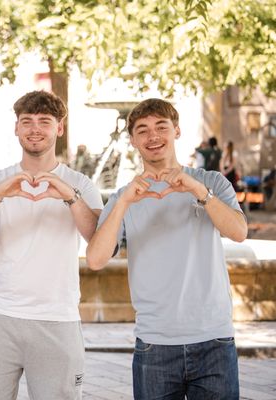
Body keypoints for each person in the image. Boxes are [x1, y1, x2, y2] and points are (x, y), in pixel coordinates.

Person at [86, 98, 247, 400]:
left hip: (214, 338)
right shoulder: (124, 196)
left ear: (177, 131)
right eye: (143, 130)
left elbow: (238, 232)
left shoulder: (210, 182)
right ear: (132, 140)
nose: (153, 136)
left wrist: (199, 192)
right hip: (154, 343)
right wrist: (122, 205)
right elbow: (95, 260)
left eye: (161, 127)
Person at [0, 90, 103, 400]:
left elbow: (97, 241)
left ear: (59, 128)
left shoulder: (81, 185)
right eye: (27, 121)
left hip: (57, 319)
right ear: (16, 128)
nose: (35, 129)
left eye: (44, 122)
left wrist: (69, 196)